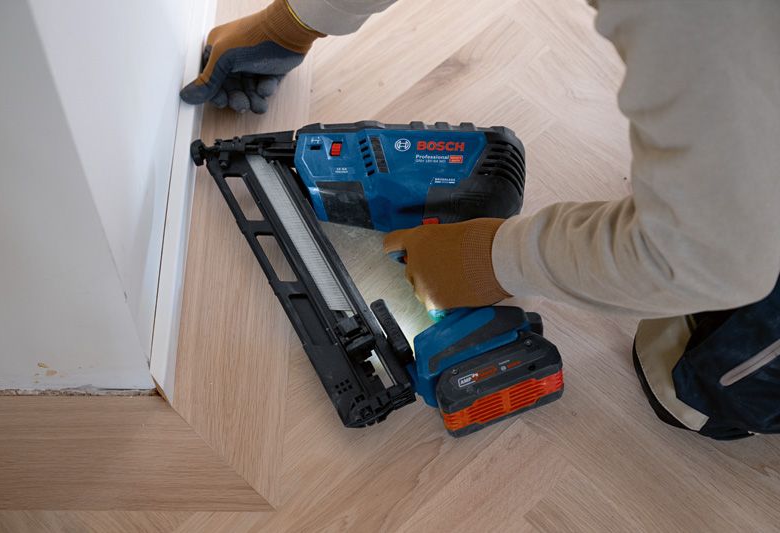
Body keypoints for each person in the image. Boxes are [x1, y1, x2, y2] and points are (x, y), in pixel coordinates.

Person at [181, 0, 780, 439]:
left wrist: (491, 262)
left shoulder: (707, 19)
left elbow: (712, 257)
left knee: (696, 384)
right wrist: (297, 21)